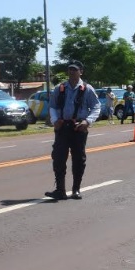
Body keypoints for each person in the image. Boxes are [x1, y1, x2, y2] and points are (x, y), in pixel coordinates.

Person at [45, 60, 101, 200]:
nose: (71, 72)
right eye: (70, 69)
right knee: (58, 158)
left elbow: (96, 107)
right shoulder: (60, 88)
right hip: (63, 127)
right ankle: (60, 190)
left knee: (78, 159)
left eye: (75, 69)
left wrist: (87, 122)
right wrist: (54, 120)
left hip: (79, 128)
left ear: (81, 71)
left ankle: (76, 189)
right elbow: (53, 106)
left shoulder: (87, 89)